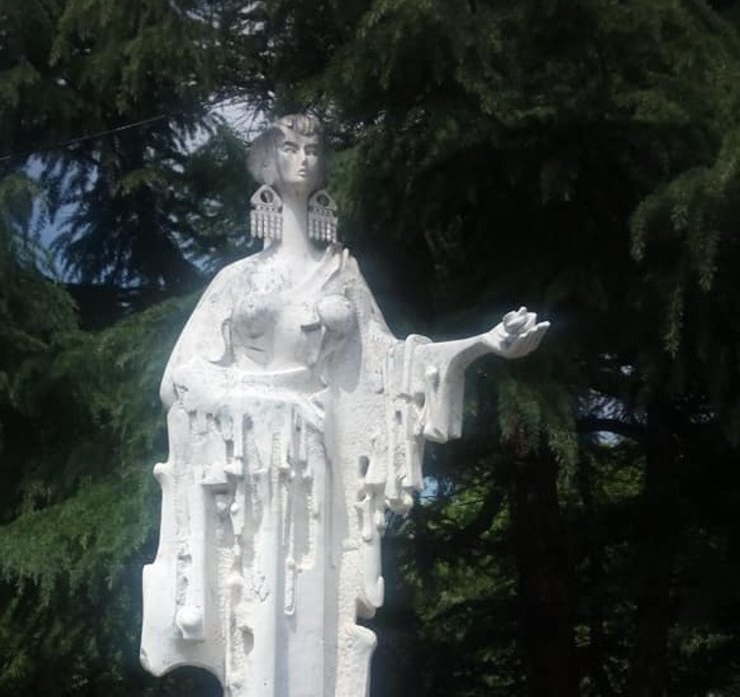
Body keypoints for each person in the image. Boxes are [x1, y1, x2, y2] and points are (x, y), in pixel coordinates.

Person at [140, 114, 548, 697]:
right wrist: (249, 400)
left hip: (313, 457)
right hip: (248, 461)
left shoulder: (343, 278)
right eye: (290, 146)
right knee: (252, 597)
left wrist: (483, 343)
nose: (303, 156)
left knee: (312, 599)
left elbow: (393, 364)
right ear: (267, 160)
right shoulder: (236, 280)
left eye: (313, 147)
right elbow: (179, 378)